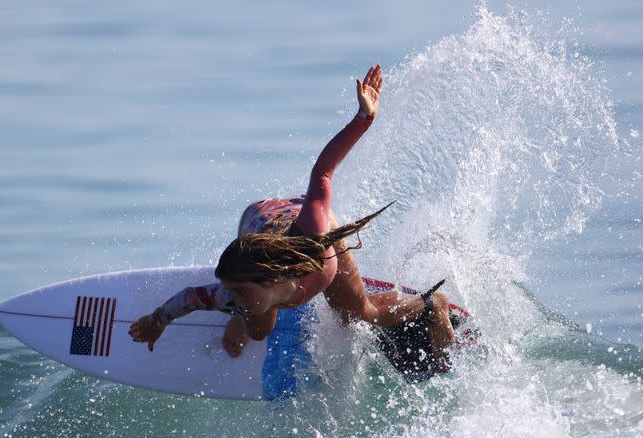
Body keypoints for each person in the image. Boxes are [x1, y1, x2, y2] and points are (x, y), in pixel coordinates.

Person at [129, 65, 457, 372]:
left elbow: (323, 172)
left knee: (358, 315)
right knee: (258, 328)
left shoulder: (314, 240)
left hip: (299, 219)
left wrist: (363, 118)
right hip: (257, 222)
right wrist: (156, 321)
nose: (231, 296)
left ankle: (433, 305)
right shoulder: (240, 294)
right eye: (231, 290)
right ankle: (244, 321)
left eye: (239, 290)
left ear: (271, 279)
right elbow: (187, 299)